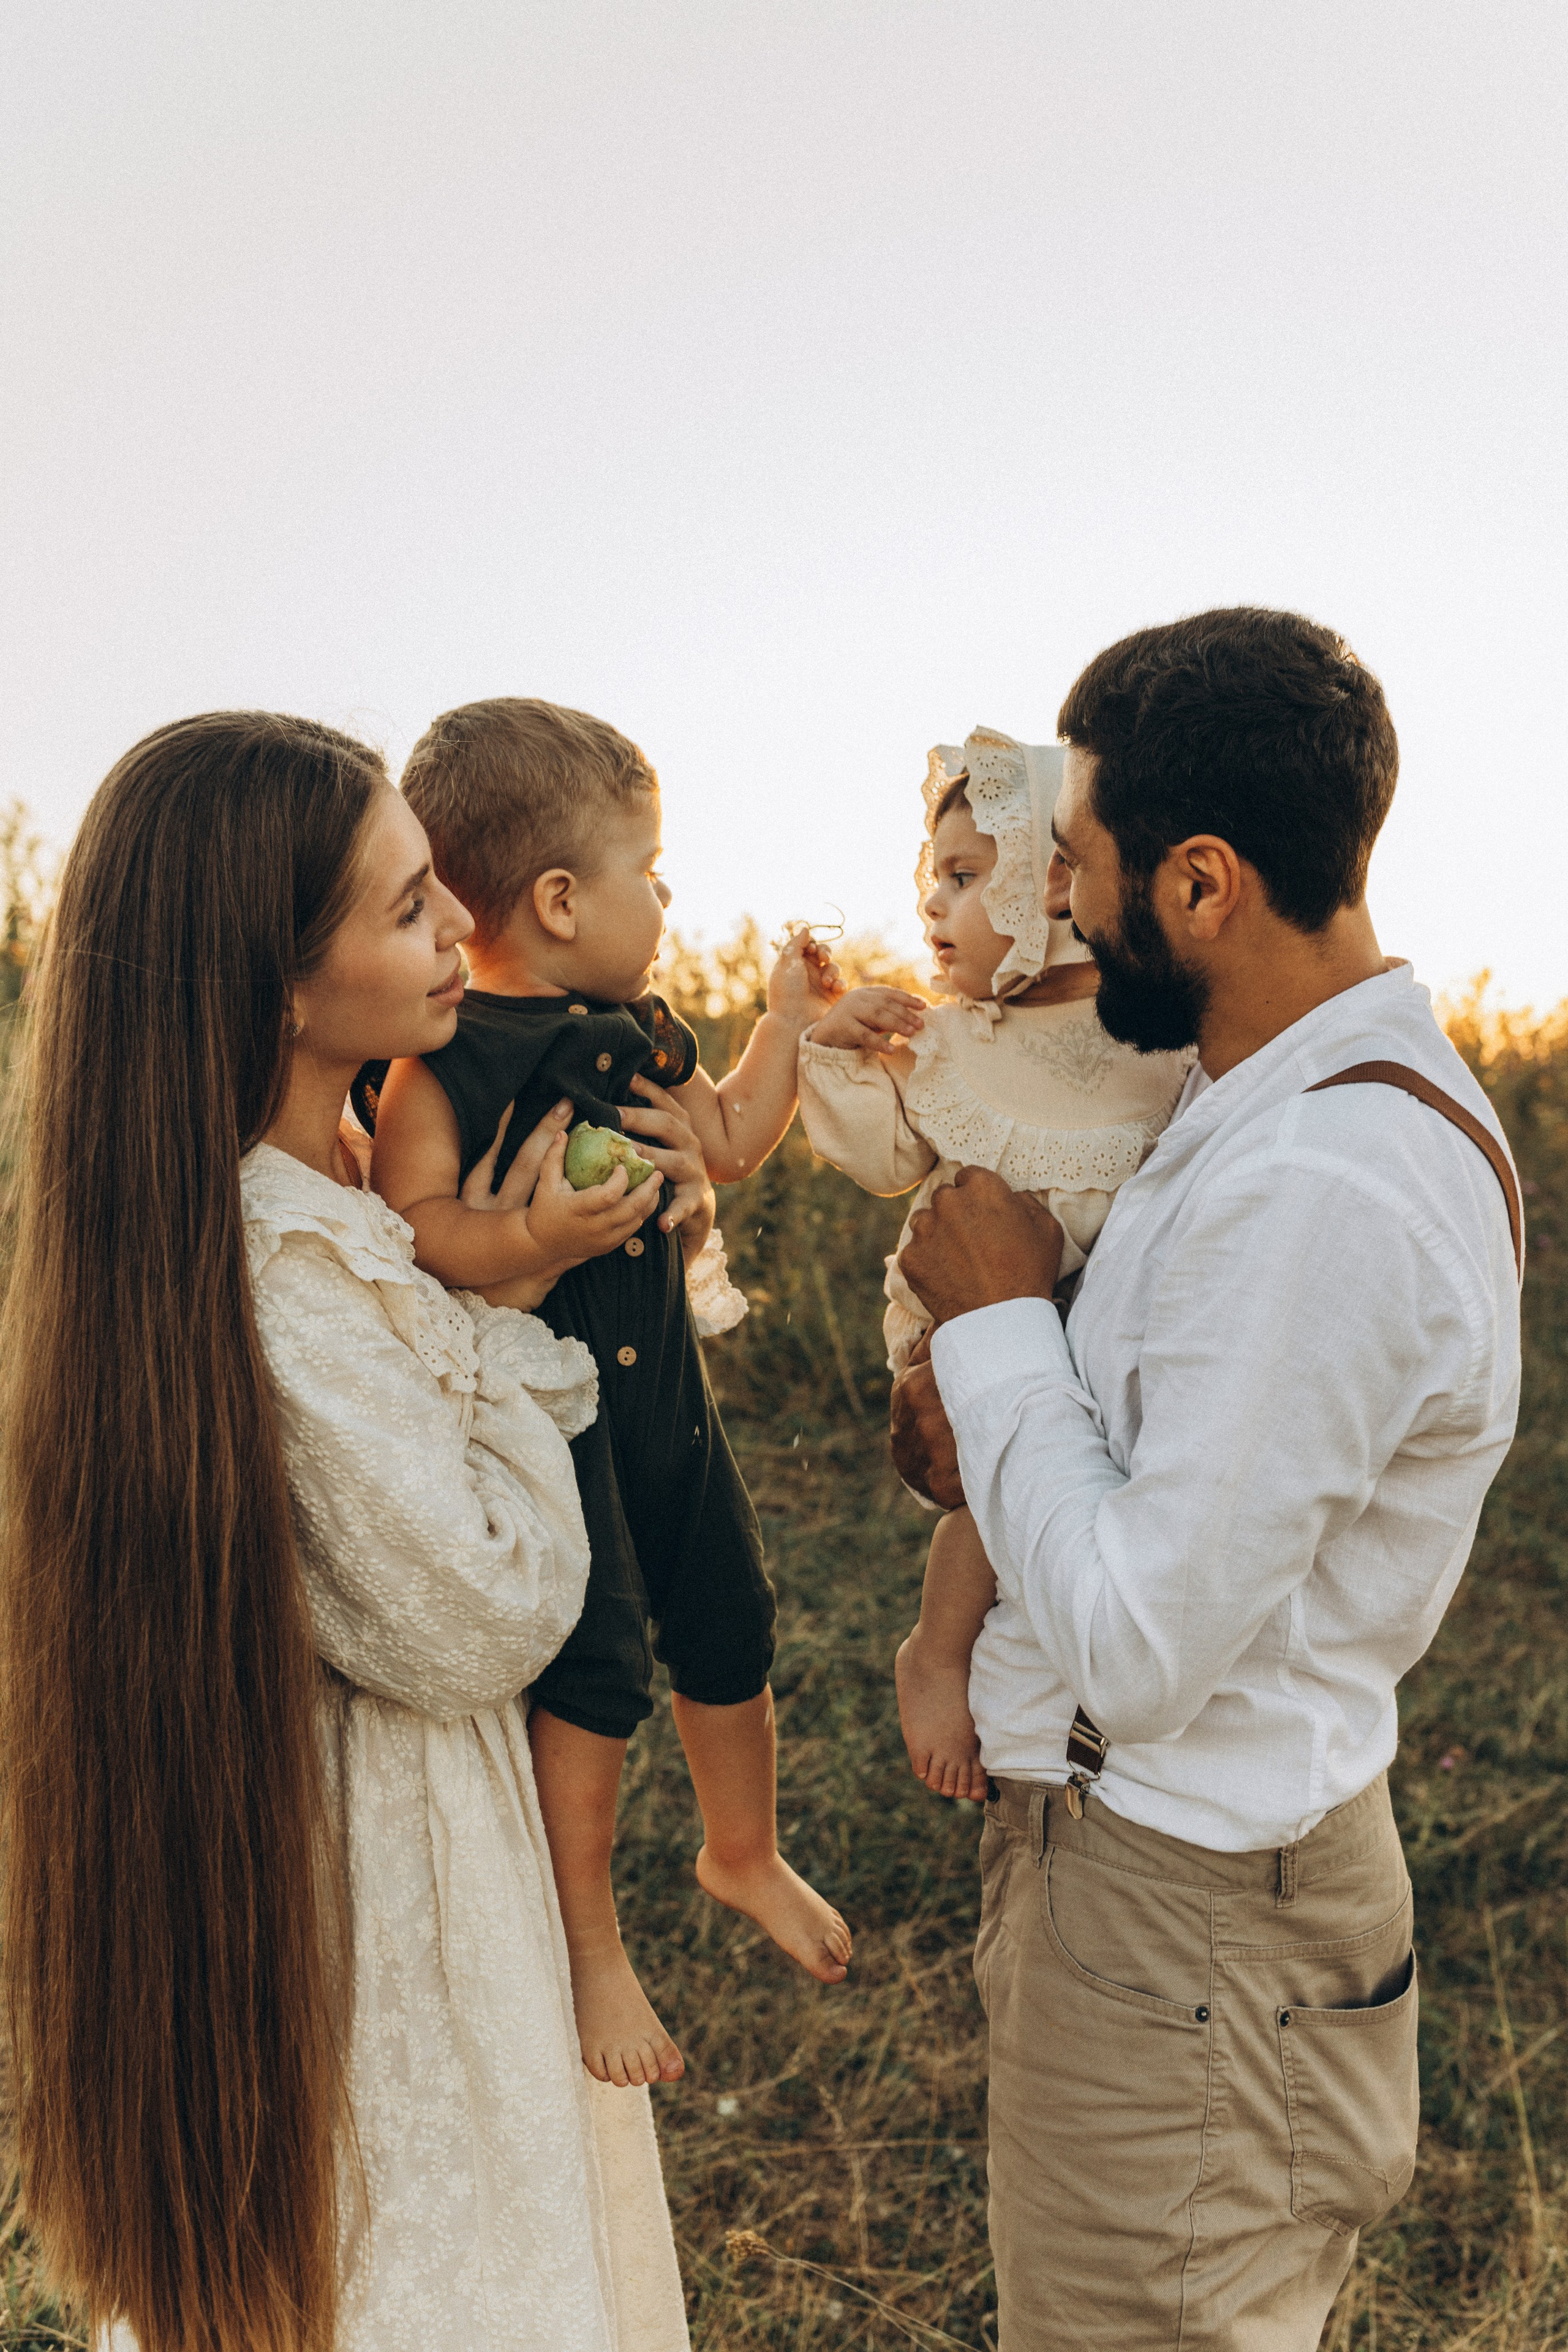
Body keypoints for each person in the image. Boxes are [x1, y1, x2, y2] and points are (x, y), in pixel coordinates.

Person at [0, 712, 690, 2352]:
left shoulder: (279, 1219)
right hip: (382, 1917)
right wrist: (509, 1326)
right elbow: (483, 1606)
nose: (462, 925)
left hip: (354, 1870)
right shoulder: (285, 1269)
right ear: (280, 986)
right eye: (405, 910)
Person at [891, 610, 1523, 2351]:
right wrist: (998, 1399)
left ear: (1200, 886)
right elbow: (1184, 1456)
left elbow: (1147, 1643)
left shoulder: (1329, 1178)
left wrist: (1006, 1328)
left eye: (1084, 865)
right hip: (1196, 1898)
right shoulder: (1259, 1097)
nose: (1064, 906)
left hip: (1182, 1929)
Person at [364, 698, 852, 2094]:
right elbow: (417, 1224)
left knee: (729, 1618)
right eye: (651, 869)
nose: (668, 895)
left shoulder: (640, 1031)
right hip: (553, 1423)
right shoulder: (440, 1061)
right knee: (593, 1670)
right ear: (562, 898)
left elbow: (733, 1145)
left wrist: (780, 1029)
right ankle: (588, 1941)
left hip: (668, 1407)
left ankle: (738, 1851)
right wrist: (524, 1244)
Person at [794, 725, 1188, 1797]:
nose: (933, 906)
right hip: (965, 1328)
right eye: (934, 880)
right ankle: (937, 1649)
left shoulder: (1160, 1048)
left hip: (1100, 1344)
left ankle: (1066, 1670)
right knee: (983, 1489)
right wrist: (834, 1053)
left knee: (1085, 1495)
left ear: (1059, 883)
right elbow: (881, 1159)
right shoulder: (955, 1039)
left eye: (966, 878)